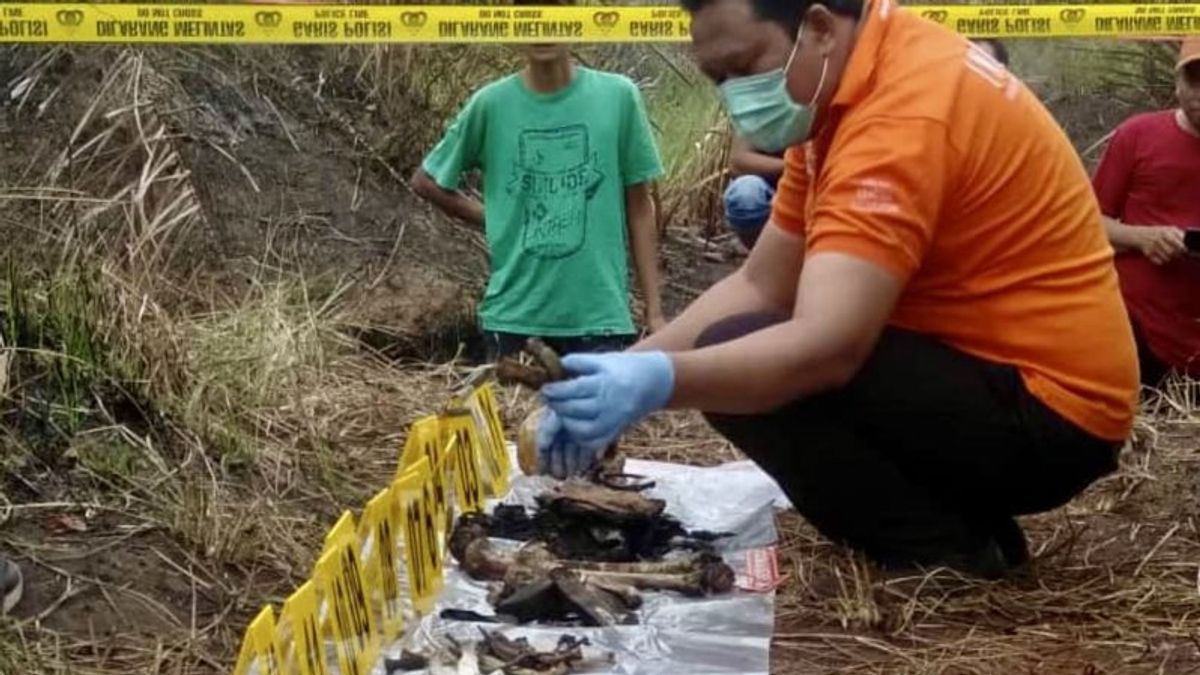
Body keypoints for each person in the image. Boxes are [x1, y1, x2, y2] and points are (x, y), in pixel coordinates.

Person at [531, 0, 1138, 579]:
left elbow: (830, 346)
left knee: (744, 364)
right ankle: (964, 522)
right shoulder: (845, 90)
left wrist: (660, 383)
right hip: (991, 378)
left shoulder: (904, 110)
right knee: (735, 345)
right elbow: (762, 283)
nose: (735, 96)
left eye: (744, 67)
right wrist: (616, 378)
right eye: (718, 78)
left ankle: (944, 550)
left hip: (1051, 412)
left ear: (818, 26)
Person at [411, 8, 666, 361]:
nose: (542, 27)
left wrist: (654, 312)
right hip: (514, 318)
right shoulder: (491, 104)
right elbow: (427, 180)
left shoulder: (618, 98)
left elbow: (639, 207)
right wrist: (496, 217)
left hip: (599, 319)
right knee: (513, 418)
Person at [1091, 37, 1200, 387]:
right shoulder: (1137, 135)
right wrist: (1143, 238)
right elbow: (1088, 225)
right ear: (1177, 82)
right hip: (1138, 328)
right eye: (1194, 79)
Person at [723, 136, 785, 248]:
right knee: (746, 193)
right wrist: (794, 167)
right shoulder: (761, 119)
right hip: (774, 188)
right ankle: (764, 252)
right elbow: (739, 161)